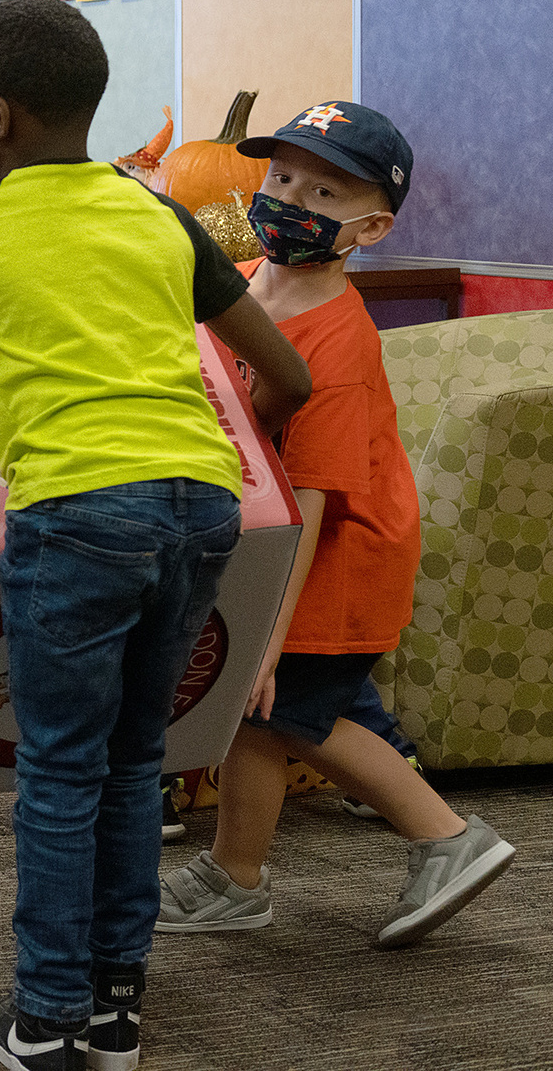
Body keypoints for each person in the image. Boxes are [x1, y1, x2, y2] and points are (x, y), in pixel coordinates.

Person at [0, 0, 311, 1071]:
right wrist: (223, 455)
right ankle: (116, 1006)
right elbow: (287, 375)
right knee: (135, 761)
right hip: (203, 507)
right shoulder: (156, 214)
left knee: (62, 769)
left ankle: (44, 1018)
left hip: (79, 514)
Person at [158, 100, 513, 949]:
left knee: (283, 713)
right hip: (278, 545)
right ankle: (235, 875)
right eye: (282, 177)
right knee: (260, 714)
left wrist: (268, 640)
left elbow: (315, 495)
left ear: (372, 227)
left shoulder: (339, 345)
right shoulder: (243, 284)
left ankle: (445, 835)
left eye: (322, 193)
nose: (289, 199)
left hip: (337, 556)